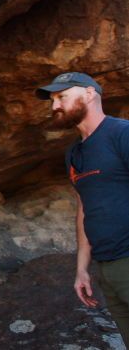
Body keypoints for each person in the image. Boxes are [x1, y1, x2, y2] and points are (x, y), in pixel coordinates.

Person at [36, 72, 129, 343]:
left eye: (62, 97)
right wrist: (81, 268)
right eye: (52, 100)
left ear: (89, 94)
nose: (55, 106)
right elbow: (84, 209)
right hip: (107, 268)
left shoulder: (121, 134)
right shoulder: (74, 154)